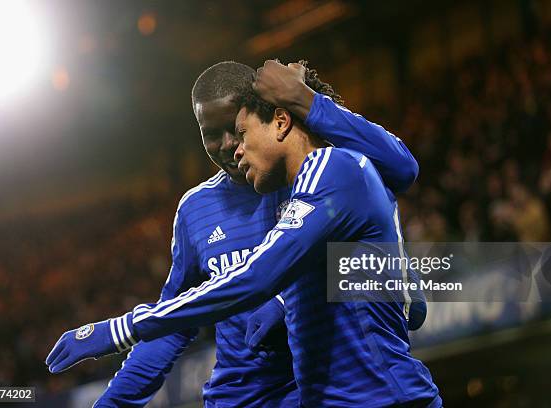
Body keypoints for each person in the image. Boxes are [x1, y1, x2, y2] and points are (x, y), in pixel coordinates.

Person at [58, 61, 423, 407]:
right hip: (240, 398)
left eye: (239, 129)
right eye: (210, 134)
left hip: (317, 391)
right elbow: (176, 320)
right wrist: (116, 401)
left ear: (274, 119)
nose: (230, 145)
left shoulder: (315, 178)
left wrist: (308, 102)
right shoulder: (195, 209)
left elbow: (399, 172)